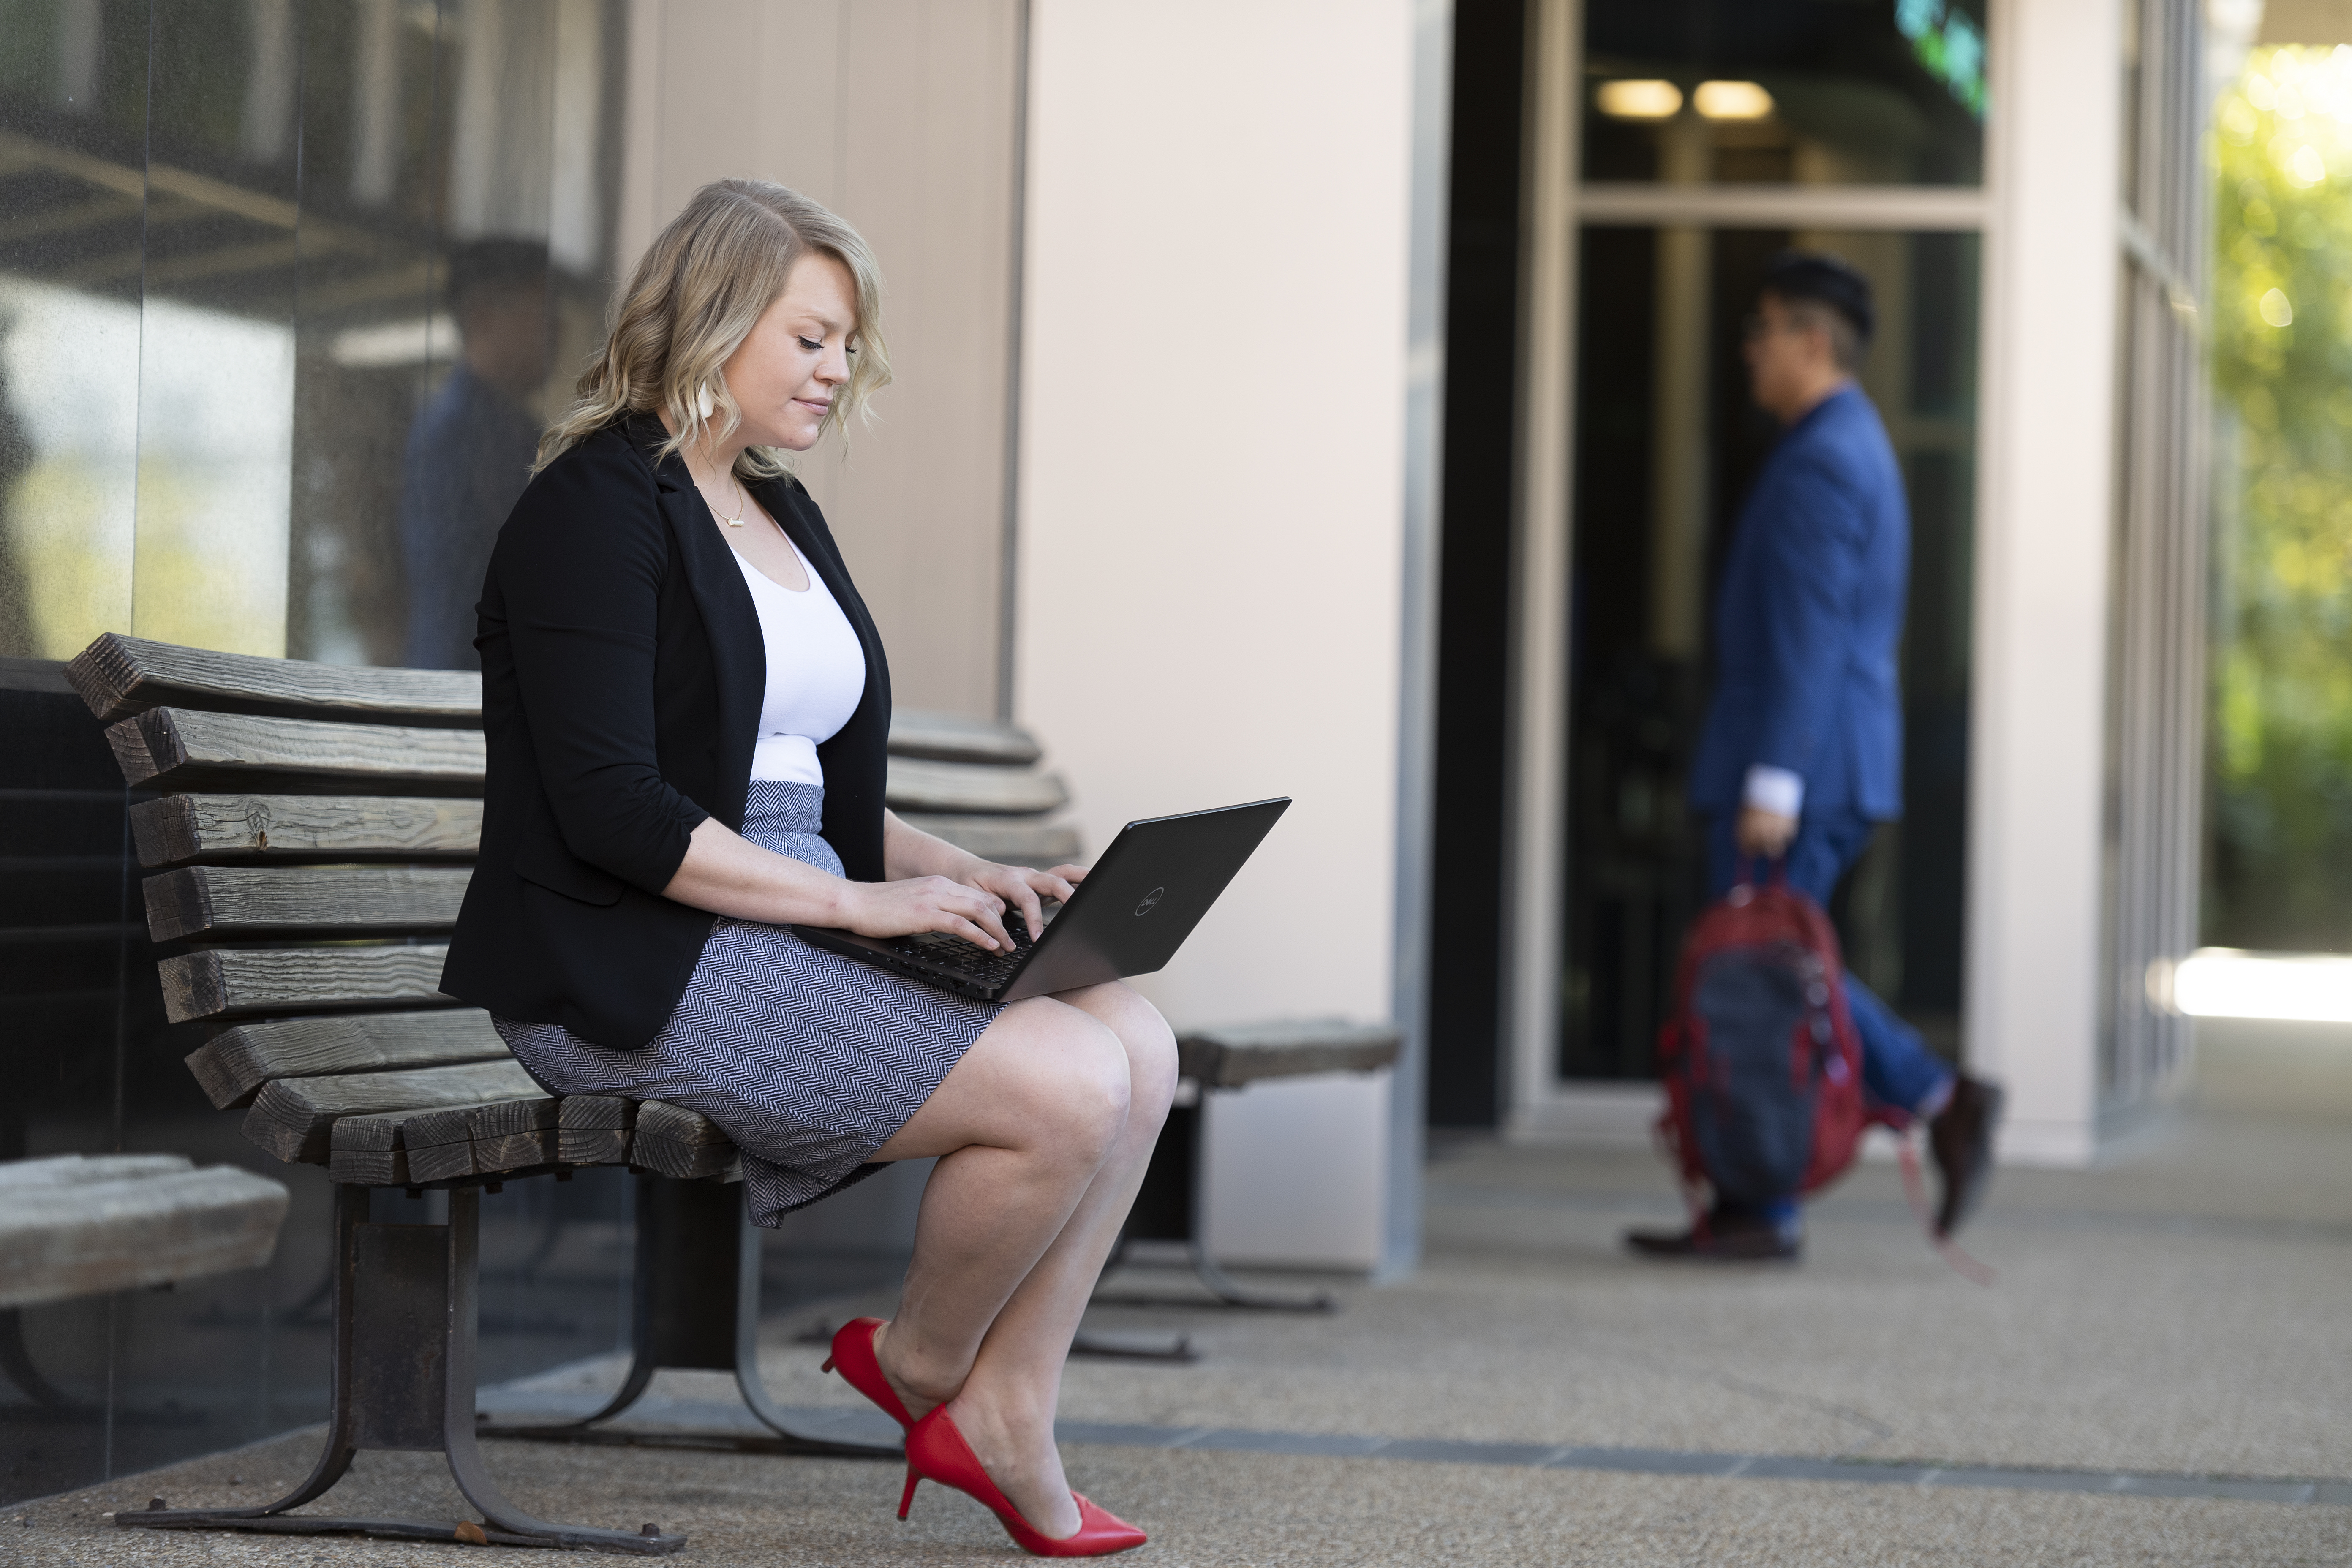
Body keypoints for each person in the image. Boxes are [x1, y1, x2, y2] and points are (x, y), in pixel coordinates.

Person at [440, 180, 1166, 1555]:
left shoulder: (777, 507)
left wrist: (976, 873)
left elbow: (818, 794)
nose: (839, 369)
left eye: (847, 344)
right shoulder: (593, 506)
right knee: (1069, 1085)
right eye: (811, 338)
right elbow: (615, 812)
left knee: (1136, 1039)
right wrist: (856, 901)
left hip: (782, 907)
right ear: (712, 320)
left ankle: (1009, 1409)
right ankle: (922, 1366)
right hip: (628, 953)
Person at [1627, 251, 2001, 1263]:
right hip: (1825, 763)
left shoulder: (1825, 457)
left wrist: (1774, 777)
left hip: (1799, 769)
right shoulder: (1844, 442)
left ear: (1812, 339)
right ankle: (1766, 1196)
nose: (1747, 349)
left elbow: (1811, 635)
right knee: (1773, 976)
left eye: (1761, 329)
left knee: (1769, 975)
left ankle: (1925, 1103)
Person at [398, 239, 554, 670]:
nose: (556, 328)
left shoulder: (512, 428)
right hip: (465, 686)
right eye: (541, 310)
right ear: (484, 317)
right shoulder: (462, 432)